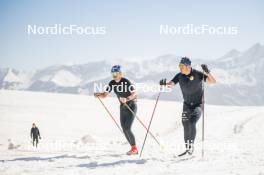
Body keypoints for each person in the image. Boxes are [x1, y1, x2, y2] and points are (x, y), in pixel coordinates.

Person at [160, 57, 216, 156]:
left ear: (188, 66)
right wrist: (164, 84)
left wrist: (208, 72)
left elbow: (213, 82)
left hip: (198, 105)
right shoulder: (179, 75)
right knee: (185, 125)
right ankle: (188, 148)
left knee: (192, 122)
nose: (180, 68)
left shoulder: (197, 74)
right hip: (186, 105)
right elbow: (171, 84)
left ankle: (191, 146)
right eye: (179, 66)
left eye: (182, 66)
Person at [94, 65, 138, 155]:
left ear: (120, 73)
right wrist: (99, 94)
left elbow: (135, 93)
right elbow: (105, 95)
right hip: (122, 108)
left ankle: (134, 149)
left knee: (127, 128)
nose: (114, 75)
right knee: (124, 129)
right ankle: (133, 149)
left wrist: (127, 99)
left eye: (116, 73)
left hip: (131, 106)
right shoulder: (112, 83)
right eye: (113, 73)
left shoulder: (125, 81)